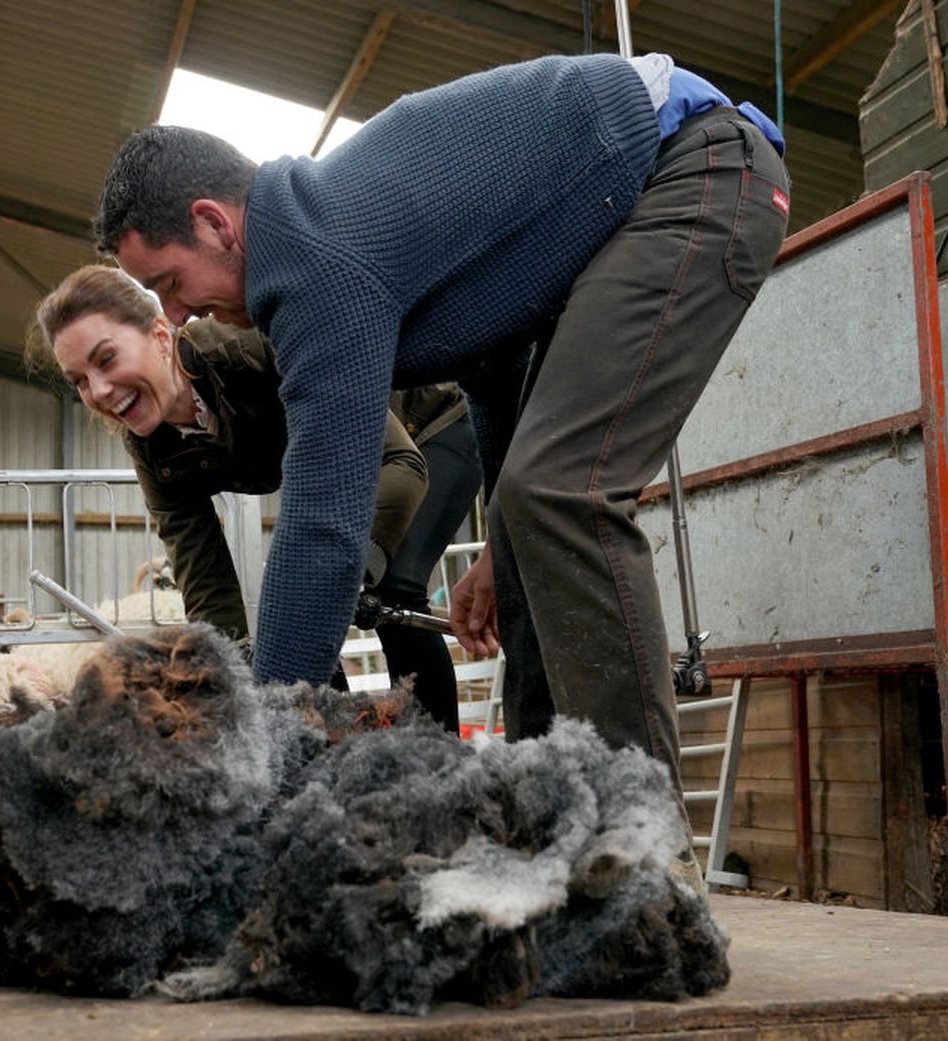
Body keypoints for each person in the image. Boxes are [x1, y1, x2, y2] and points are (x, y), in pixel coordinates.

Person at [92, 53, 790, 807]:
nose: (175, 315)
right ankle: (543, 814)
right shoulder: (325, 229)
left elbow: (324, 522)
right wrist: (500, 544)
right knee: (529, 519)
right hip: (635, 201)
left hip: (694, 168)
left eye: (169, 284)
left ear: (213, 223)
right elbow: (496, 360)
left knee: (561, 490)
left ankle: (639, 829)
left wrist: (260, 749)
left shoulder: (310, 259)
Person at [29, 264, 480, 730]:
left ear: (160, 336)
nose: (99, 390)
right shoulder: (152, 446)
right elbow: (202, 571)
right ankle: (331, 748)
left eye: (107, 359)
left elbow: (398, 464)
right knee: (293, 619)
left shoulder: (248, 350)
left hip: (425, 429)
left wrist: (341, 572)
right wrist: (232, 672)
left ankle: (438, 752)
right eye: (78, 380)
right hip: (346, 464)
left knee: (392, 592)